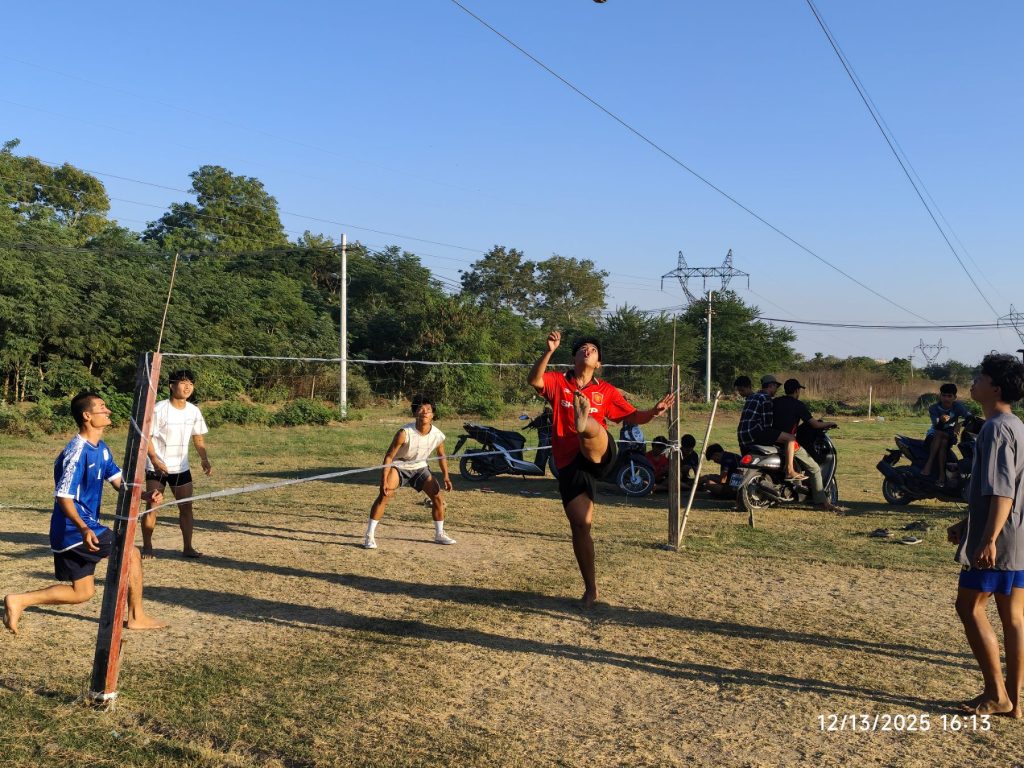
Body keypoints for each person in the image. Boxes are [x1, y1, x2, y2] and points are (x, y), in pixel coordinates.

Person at [529, 331, 674, 607]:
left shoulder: (605, 391)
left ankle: (584, 423)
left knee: (590, 432)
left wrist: (654, 412)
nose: (587, 350)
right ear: (573, 358)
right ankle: (591, 589)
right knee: (580, 525)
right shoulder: (558, 381)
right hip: (570, 464)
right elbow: (534, 380)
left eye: (593, 350)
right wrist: (548, 350)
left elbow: (632, 416)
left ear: (598, 364)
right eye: (582, 348)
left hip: (601, 453)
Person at [3, 392, 166, 635]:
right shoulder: (77, 452)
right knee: (130, 552)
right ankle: (136, 616)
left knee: (82, 592)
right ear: (87, 416)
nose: (108, 411)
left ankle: (18, 600)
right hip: (74, 529)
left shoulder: (101, 448)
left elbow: (118, 481)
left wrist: (144, 495)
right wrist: (83, 527)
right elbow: (63, 496)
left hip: (76, 530)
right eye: (102, 407)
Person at [947, 353, 1024, 718]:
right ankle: (1014, 701)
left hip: (1000, 538)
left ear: (995, 387)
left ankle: (996, 693)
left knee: (969, 606)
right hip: (1017, 535)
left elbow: (1002, 491)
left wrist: (988, 538)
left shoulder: (995, 429)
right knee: (1014, 617)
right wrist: (968, 521)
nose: (973, 382)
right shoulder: (1017, 425)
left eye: (979, 377)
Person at [363, 395, 454, 550]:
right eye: (420, 409)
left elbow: (441, 456)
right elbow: (389, 456)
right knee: (384, 495)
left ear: (433, 414)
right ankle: (369, 535)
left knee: (438, 497)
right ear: (415, 413)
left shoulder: (438, 435)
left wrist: (446, 476)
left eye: (428, 410)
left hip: (420, 467)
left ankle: (439, 534)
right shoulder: (404, 433)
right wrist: (384, 480)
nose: (424, 412)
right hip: (399, 466)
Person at [142, 369, 212, 559]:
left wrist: (204, 459)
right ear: (172, 386)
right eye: (183, 383)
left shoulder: (193, 411)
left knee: (186, 507)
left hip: (181, 468)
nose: (187, 387)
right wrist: (154, 459)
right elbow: (146, 437)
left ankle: (188, 547)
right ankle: (147, 547)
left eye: (190, 383)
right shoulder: (159, 409)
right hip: (157, 468)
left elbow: (198, 437)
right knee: (152, 507)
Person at [772, 378, 845, 512]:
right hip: (789, 443)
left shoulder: (775, 401)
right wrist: (830, 423)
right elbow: (814, 424)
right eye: (799, 390)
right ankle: (823, 503)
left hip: (773, 439)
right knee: (814, 468)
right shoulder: (798, 405)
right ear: (796, 390)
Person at [737, 374, 802, 480]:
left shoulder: (753, 396)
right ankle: (790, 470)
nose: (776, 390)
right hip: (755, 433)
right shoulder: (766, 398)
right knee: (790, 438)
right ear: (771, 386)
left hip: (742, 436)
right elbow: (767, 423)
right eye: (776, 387)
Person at [922, 382, 972, 487]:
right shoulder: (933, 408)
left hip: (950, 435)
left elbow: (968, 416)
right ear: (940, 396)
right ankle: (941, 475)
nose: (946, 398)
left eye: (949, 396)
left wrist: (960, 424)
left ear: (954, 397)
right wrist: (941, 421)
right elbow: (937, 427)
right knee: (942, 438)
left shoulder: (957, 406)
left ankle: (929, 464)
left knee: (943, 437)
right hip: (934, 434)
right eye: (944, 395)